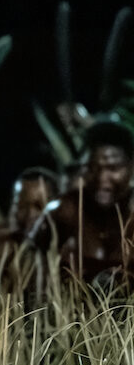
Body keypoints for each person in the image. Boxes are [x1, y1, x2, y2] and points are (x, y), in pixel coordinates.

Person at [27, 121, 134, 291]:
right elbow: (31, 272)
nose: (102, 178)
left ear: (131, 166)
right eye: (92, 168)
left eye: (113, 168)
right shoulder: (63, 211)